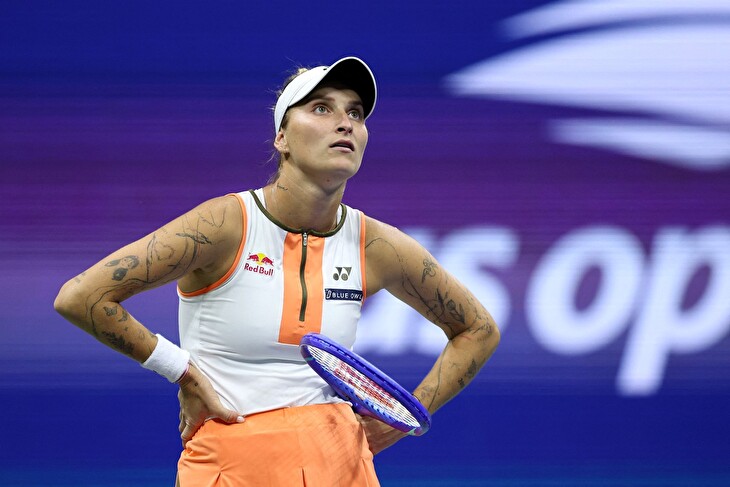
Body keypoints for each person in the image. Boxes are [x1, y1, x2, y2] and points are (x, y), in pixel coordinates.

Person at [54, 56, 500, 486]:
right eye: (321, 108)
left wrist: (401, 418)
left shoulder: (375, 245)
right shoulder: (223, 224)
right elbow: (81, 297)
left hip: (342, 465)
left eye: (356, 113)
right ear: (281, 138)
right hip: (230, 462)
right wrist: (182, 371)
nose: (345, 123)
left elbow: (478, 330)